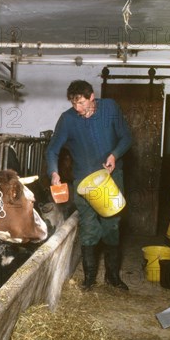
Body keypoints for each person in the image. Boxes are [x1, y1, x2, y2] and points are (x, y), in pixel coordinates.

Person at [46, 80, 132, 291]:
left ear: (92, 97)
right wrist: (54, 172)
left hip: (111, 176)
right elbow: (52, 150)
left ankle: (112, 276)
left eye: (82, 103)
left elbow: (126, 137)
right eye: (74, 104)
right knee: (89, 227)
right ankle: (89, 278)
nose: (78, 109)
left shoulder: (110, 107)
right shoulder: (67, 119)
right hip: (83, 181)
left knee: (111, 224)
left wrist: (115, 154)